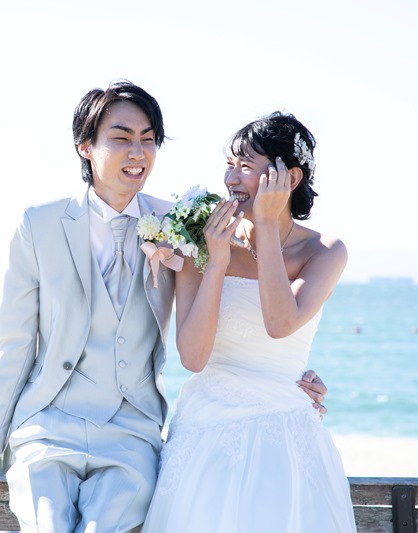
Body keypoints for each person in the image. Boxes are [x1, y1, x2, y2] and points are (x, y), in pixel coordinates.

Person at [0, 83, 328, 532]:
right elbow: (12, 345)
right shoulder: (39, 225)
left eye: (148, 139)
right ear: (85, 146)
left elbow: (249, 309)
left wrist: (287, 379)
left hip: (131, 431)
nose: (137, 152)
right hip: (47, 426)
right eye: (121, 138)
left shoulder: (184, 223)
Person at [142, 112, 357, 532]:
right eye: (229, 164)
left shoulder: (326, 252)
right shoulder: (201, 237)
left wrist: (266, 226)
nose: (230, 179)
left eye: (245, 166)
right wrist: (217, 262)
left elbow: (280, 323)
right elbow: (193, 358)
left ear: (289, 178)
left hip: (287, 430)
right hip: (206, 429)